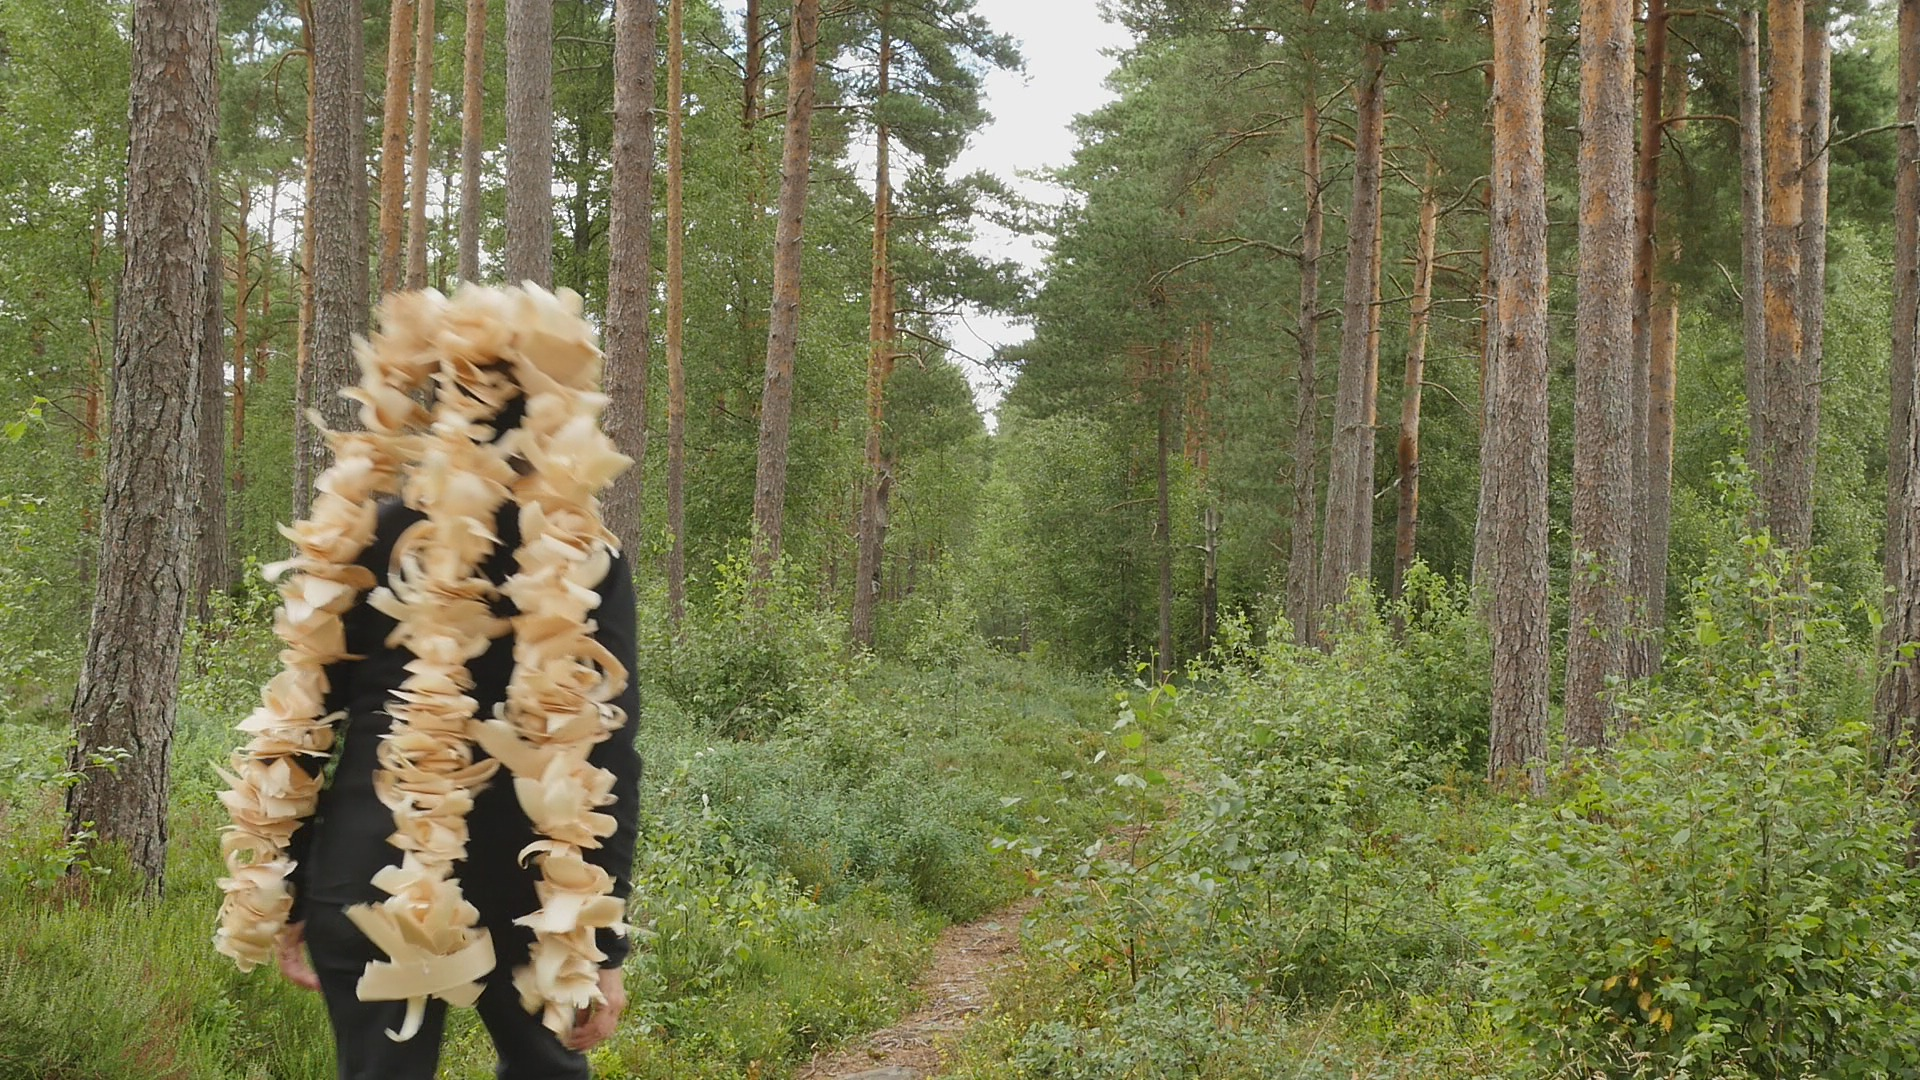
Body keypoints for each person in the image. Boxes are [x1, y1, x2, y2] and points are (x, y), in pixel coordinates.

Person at [213, 285, 640, 1079]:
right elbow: (608, 755)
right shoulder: (585, 559)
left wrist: (291, 891)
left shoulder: (369, 533)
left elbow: (305, 720)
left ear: (441, 406)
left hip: (368, 875)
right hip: (536, 894)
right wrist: (602, 946)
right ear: (551, 410)